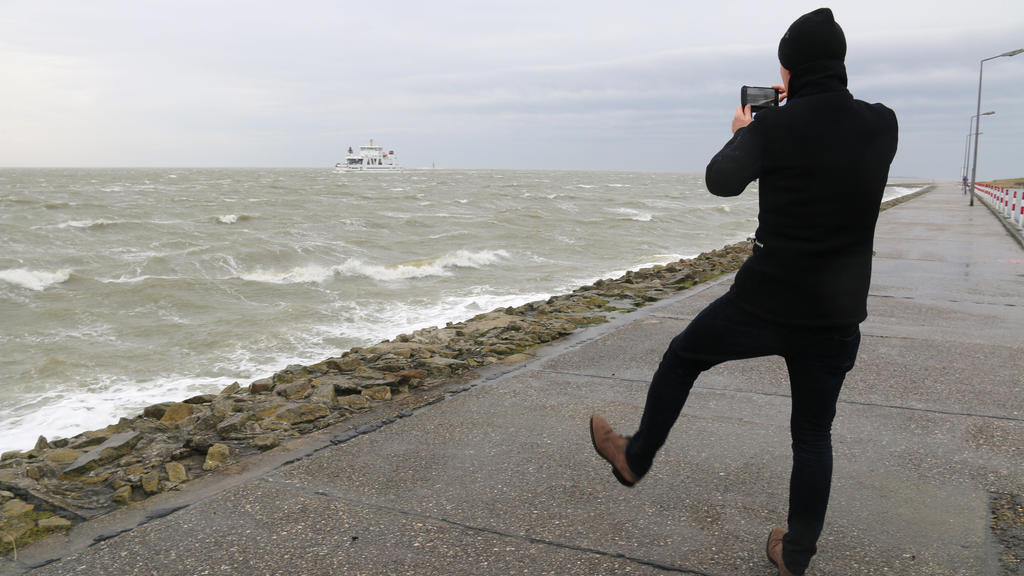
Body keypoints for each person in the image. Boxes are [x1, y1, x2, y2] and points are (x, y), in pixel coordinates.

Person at [589, 8, 898, 576]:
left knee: (683, 357)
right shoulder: (883, 123)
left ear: (788, 70)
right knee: (811, 434)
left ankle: (635, 457)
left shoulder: (773, 127)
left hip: (765, 300)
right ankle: (796, 552)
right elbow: (834, 148)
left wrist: (748, 130)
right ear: (841, 63)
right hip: (836, 311)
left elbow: (721, 181)